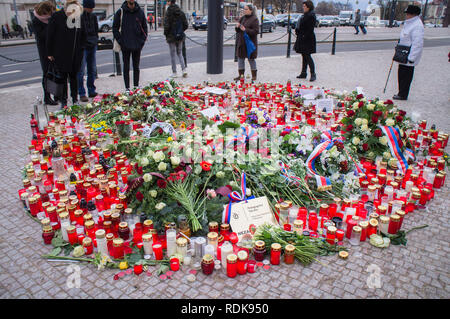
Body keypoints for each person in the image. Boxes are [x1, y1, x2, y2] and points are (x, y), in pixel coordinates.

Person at [47, 0, 86, 107]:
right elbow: (50, 35)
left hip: (75, 54)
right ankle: (63, 101)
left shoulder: (77, 17)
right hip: (61, 54)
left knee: (74, 78)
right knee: (62, 79)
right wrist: (50, 52)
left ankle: (75, 99)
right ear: (65, 9)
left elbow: (83, 34)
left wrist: (81, 49)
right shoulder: (56, 17)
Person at [113, 0, 148, 91]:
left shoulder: (140, 12)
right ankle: (127, 88)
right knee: (126, 67)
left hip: (137, 45)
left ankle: (136, 86)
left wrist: (141, 42)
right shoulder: (121, 12)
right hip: (125, 45)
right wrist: (121, 41)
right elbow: (115, 28)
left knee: (136, 67)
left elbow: (144, 27)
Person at [393, 5, 424, 101]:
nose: (406, 15)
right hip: (402, 54)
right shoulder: (410, 23)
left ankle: (403, 94)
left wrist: (412, 58)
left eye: (408, 13)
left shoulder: (417, 25)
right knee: (401, 75)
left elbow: (417, 44)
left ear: (413, 14)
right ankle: (400, 92)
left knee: (406, 77)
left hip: (408, 56)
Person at [32, 1, 58, 105]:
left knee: (56, 73)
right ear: (44, 11)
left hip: (55, 48)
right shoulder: (36, 20)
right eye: (50, 11)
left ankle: (57, 94)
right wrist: (51, 26)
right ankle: (47, 97)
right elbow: (41, 35)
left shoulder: (51, 18)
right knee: (47, 74)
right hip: (44, 50)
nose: (51, 13)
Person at [77, 0, 99, 102]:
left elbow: (96, 29)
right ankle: (81, 92)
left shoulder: (93, 16)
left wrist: (95, 40)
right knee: (81, 71)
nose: (91, 9)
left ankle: (91, 89)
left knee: (92, 69)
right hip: (83, 46)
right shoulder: (79, 16)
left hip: (92, 44)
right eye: (90, 8)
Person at [234, 3, 259, 81]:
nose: (244, 10)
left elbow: (256, 31)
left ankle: (254, 76)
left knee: (251, 59)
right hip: (241, 42)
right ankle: (241, 75)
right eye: (244, 9)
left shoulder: (255, 19)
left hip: (249, 43)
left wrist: (246, 30)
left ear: (251, 10)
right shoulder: (242, 18)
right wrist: (237, 27)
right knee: (240, 59)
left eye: (246, 9)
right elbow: (238, 31)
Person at [163, 0, 188, 78]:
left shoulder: (168, 12)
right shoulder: (180, 12)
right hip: (180, 36)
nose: (167, 2)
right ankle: (184, 70)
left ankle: (174, 72)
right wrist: (180, 31)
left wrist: (166, 34)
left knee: (173, 54)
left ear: (170, 2)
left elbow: (166, 25)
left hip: (171, 36)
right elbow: (186, 24)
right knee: (180, 53)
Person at [294, 0, 317, 81]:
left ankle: (313, 73)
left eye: (304, 6)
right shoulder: (305, 15)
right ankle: (303, 72)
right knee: (304, 56)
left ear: (308, 7)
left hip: (307, 39)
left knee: (308, 56)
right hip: (302, 37)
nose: (303, 8)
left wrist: (303, 35)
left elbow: (310, 29)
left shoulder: (311, 16)